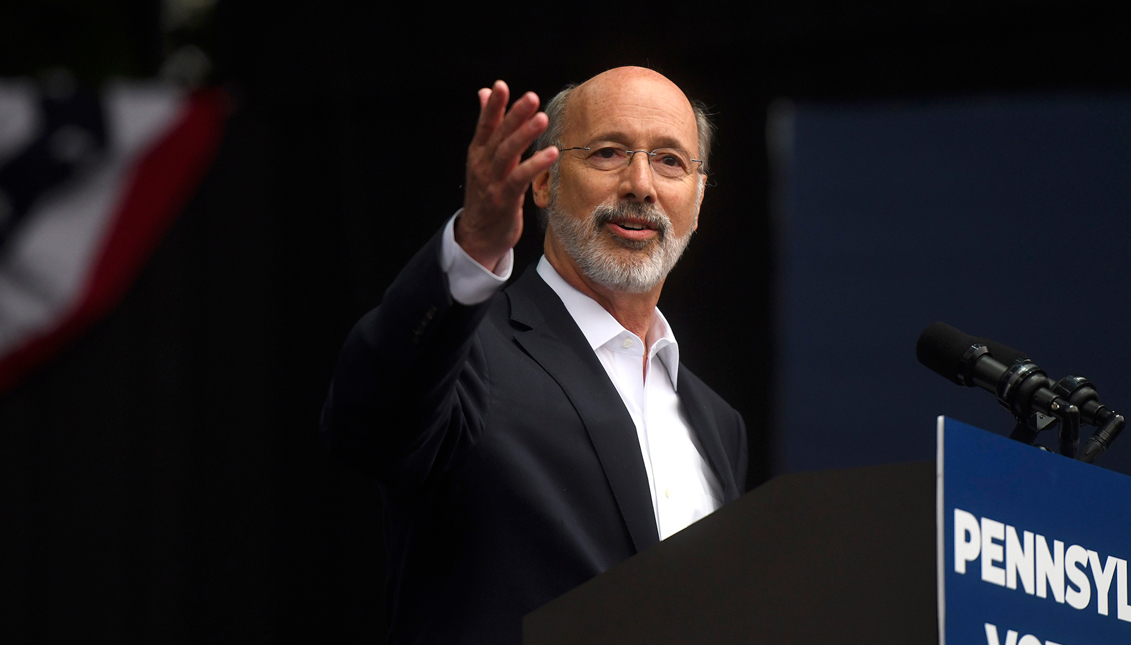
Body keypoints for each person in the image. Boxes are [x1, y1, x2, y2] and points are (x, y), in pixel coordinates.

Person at [321, 66, 748, 644]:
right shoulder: (467, 354)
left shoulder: (720, 426)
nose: (641, 184)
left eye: (671, 161)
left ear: (696, 201)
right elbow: (366, 424)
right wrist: (471, 248)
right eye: (608, 152)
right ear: (543, 184)